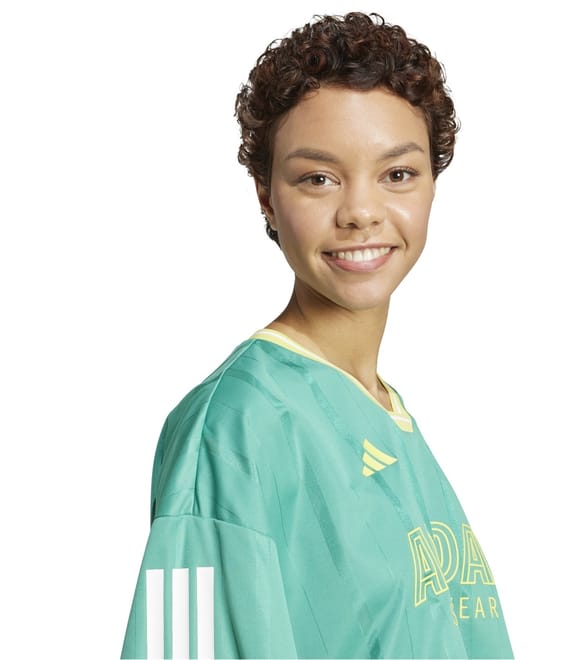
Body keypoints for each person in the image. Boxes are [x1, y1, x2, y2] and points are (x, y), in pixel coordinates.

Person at [121, 12, 513, 659]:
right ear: (266, 196)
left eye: (397, 173)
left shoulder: (388, 414)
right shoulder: (235, 427)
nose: (360, 211)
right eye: (318, 178)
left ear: (431, 187)